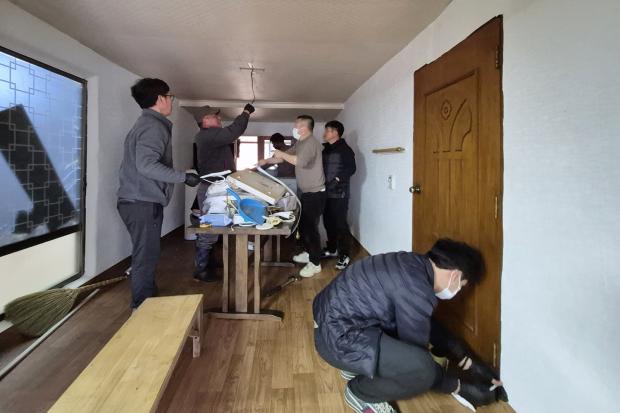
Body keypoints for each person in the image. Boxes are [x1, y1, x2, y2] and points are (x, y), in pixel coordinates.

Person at [312, 239, 508, 412]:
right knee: (423, 369)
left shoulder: (412, 264)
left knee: (411, 349)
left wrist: (469, 361)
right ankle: (360, 393)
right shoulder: (418, 289)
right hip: (336, 342)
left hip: (328, 326)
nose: (458, 290)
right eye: (462, 285)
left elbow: (423, 322)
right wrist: (459, 387)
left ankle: (355, 366)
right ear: (455, 276)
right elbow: (417, 363)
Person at [117, 78, 201, 309]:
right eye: (170, 96)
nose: (171, 101)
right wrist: (184, 177)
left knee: (145, 253)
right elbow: (146, 165)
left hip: (137, 200)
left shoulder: (147, 123)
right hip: (142, 202)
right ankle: (142, 308)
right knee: (146, 256)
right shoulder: (153, 126)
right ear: (160, 99)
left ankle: (147, 293)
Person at [192, 103, 255, 282]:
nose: (219, 118)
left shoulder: (210, 137)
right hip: (212, 190)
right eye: (215, 116)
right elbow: (233, 131)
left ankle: (209, 264)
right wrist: (246, 112)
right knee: (210, 229)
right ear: (205, 120)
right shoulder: (207, 135)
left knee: (216, 226)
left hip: (217, 189)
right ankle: (201, 270)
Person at [259, 115, 325, 278]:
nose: (295, 127)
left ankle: (315, 263)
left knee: (311, 228)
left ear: (305, 127)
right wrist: (265, 161)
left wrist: (281, 154)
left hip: (315, 192)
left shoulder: (311, 143)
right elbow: (284, 157)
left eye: (297, 125)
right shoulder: (301, 142)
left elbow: (299, 161)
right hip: (305, 191)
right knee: (303, 226)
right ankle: (309, 253)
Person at [320, 120, 356, 270]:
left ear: (335, 132)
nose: (324, 133)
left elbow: (351, 168)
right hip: (325, 192)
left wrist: (337, 180)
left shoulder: (345, 149)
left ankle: (344, 254)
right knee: (328, 222)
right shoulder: (325, 150)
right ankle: (332, 248)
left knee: (340, 224)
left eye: (327, 130)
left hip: (340, 193)